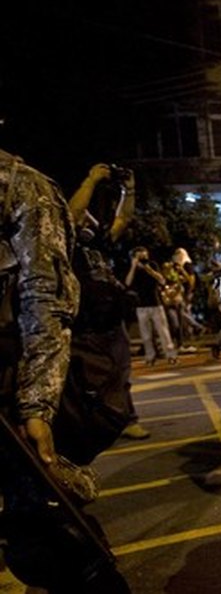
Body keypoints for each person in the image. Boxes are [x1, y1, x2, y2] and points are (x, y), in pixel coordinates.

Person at [0, 149, 129, 592]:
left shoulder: (18, 183)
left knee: (47, 535)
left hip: (22, 378)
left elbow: (45, 298)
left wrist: (38, 405)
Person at [66, 163, 148, 444]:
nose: (87, 215)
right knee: (92, 379)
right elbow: (71, 215)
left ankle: (126, 419)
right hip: (85, 323)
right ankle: (90, 423)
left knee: (120, 373)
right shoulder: (63, 240)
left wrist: (129, 189)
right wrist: (91, 180)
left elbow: (122, 220)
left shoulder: (96, 242)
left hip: (111, 318)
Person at [125, 246, 178, 367]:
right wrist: (133, 266)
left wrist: (148, 269)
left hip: (155, 303)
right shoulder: (133, 269)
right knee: (146, 335)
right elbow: (127, 283)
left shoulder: (152, 265)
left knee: (163, 332)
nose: (142, 257)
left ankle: (171, 355)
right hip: (141, 306)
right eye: (139, 255)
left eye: (143, 254)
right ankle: (150, 357)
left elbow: (162, 280)